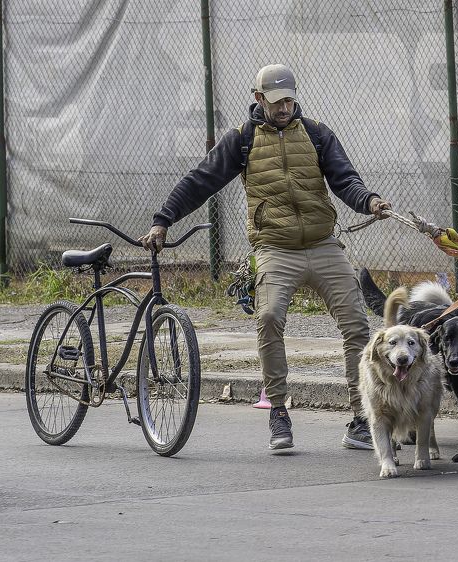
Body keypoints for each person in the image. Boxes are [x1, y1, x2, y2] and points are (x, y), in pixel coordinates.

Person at [140, 64, 390, 451]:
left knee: (357, 326)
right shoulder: (241, 139)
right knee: (270, 317)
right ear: (259, 99)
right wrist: (163, 220)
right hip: (274, 248)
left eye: (289, 99)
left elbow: (345, 179)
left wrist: (369, 201)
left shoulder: (318, 133)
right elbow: (200, 180)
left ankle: (361, 418)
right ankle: (278, 411)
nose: (285, 106)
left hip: (323, 244)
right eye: (276, 101)